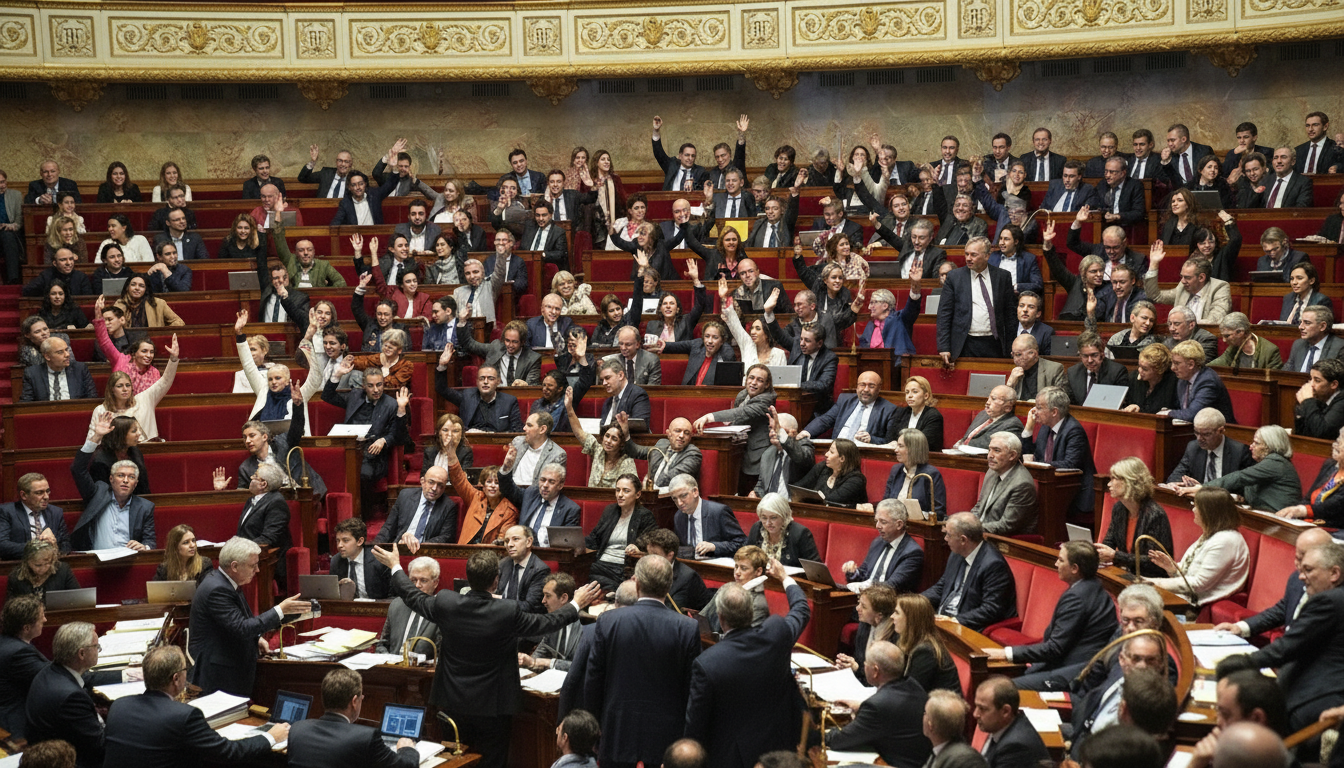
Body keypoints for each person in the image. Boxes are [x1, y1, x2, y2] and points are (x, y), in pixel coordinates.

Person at [373, 544, 599, 768]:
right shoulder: (506, 611)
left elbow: (411, 595)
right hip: (494, 708)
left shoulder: (446, 602)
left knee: (455, 762)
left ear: (468, 578)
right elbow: (547, 623)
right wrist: (576, 603)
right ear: (496, 581)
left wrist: (395, 566)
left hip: (452, 702)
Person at [686, 559, 810, 768]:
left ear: (720, 617)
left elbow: (696, 724)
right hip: (780, 747)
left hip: (732, 755)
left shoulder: (707, 663)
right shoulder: (776, 633)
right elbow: (801, 609)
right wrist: (785, 578)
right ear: (751, 612)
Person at [583, 553, 700, 768]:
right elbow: (690, 688)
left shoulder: (609, 621)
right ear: (669, 584)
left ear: (636, 582)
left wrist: (592, 730)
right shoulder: (687, 627)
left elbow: (593, 681)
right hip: (665, 737)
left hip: (616, 731)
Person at [105, 644, 281, 768]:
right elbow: (228, 752)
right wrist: (270, 737)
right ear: (176, 678)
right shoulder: (185, 716)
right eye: (184, 670)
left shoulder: (119, 706)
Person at [189, 537, 308, 696]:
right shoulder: (218, 589)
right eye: (253, 565)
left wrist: (257, 638)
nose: (257, 570)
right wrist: (280, 610)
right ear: (235, 566)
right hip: (221, 676)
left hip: (227, 668)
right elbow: (242, 628)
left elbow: (235, 622)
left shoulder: (225, 581)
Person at [987, 542, 1117, 686]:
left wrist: (1006, 654)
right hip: (1072, 664)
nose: (1056, 564)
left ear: (1075, 568)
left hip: (1071, 673)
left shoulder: (1077, 598)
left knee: (1003, 689)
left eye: (1061, 560)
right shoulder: (1093, 587)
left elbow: (1054, 649)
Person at [826, 642, 932, 768]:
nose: (864, 666)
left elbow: (838, 741)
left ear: (875, 671)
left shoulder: (878, 705)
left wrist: (818, 730)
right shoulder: (913, 685)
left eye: (865, 664)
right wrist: (861, 707)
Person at [287, 668, 418, 768]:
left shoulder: (297, 729)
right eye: (361, 698)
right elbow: (406, 766)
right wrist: (407, 749)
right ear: (354, 702)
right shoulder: (366, 737)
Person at [1145, 487, 1250, 607]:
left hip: (1196, 610)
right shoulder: (1212, 535)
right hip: (1185, 600)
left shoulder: (1226, 541)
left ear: (1209, 512)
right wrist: (1173, 569)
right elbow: (1192, 575)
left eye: (1196, 506)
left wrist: (1153, 583)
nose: (1193, 510)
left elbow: (1198, 585)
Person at [24, 623, 111, 767]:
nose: (98, 650)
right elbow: (100, 746)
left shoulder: (50, 671)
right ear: (81, 653)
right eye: (96, 646)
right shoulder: (71, 697)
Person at [72, 413, 156, 551]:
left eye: (131, 477)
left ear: (136, 482)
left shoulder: (144, 507)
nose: (125, 481)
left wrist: (145, 548)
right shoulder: (96, 495)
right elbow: (78, 469)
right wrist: (96, 437)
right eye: (121, 475)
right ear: (110, 479)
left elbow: (150, 542)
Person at [922, 513, 1016, 631]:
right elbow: (942, 587)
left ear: (963, 540)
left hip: (967, 626)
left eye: (948, 535)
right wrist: (917, 601)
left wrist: (954, 621)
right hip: (943, 620)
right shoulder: (956, 554)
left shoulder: (993, 565)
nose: (945, 539)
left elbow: (991, 609)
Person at [1175, 424, 1300, 513]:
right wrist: (1205, 487)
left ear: (1270, 446)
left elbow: (1240, 477)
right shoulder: (1266, 464)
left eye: (1256, 443)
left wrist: (1203, 488)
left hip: (1279, 520)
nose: (1251, 447)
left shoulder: (1276, 462)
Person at [693, 364, 776, 486]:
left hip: (757, 456)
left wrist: (710, 417)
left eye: (760, 380)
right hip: (739, 449)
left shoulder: (766, 400)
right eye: (751, 378)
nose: (753, 383)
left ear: (767, 384)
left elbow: (742, 412)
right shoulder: (743, 394)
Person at [937, 236, 1015, 362]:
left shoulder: (1003, 276)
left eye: (973, 255)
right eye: (966, 254)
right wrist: (944, 347)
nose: (968, 258)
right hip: (965, 343)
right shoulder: (954, 277)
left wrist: (1012, 345)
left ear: (987, 255)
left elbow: (1010, 315)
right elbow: (944, 314)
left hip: (995, 343)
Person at [585, 474, 656, 592]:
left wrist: (637, 547)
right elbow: (594, 538)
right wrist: (577, 542)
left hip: (624, 568)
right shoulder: (610, 511)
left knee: (607, 588)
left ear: (638, 494)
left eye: (626, 491)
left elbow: (650, 542)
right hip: (601, 565)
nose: (620, 495)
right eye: (617, 490)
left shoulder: (645, 515)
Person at [499, 452, 580, 548]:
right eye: (542, 480)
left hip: (548, 555)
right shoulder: (531, 494)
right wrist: (506, 467)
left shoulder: (570, 509)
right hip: (522, 551)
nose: (545, 485)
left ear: (560, 485)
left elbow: (567, 545)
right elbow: (507, 489)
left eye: (551, 482)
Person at [842, 500, 924, 594]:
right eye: (877, 521)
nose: (877, 526)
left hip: (887, 603)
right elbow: (863, 576)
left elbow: (892, 586)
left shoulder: (912, 553)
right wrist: (852, 572)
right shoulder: (877, 542)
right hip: (865, 598)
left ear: (899, 525)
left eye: (883, 522)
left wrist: (860, 588)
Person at [971, 676, 1050, 768]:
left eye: (982, 709)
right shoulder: (1004, 726)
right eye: (976, 706)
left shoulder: (1015, 747)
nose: (975, 714)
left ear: (1005, 711)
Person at [447, 444, 517, 545]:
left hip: (489, 555)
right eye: (489, 482)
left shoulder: (509, 511)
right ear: (482, 485)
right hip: (464, 551)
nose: (493, 486)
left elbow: (502, 540)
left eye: (497, 483)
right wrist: (451, 453)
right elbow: (459, 479)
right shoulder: (476, 497)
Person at [0, 596, 49, 740]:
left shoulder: (8, 642)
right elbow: (54, 676)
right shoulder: (18, 653)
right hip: (15, 730)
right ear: (26, 628)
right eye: (41, 617)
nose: (45, 620)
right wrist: (118, 676)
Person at [802, 371, 898, 444]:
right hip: (836, 449)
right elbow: (826, 420)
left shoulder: (889, 409)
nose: (866, 389)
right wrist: (807, 432)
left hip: (860, 453)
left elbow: (892, 442)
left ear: (879, 388)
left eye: (871, 386)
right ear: (857, 386)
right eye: (862, 385)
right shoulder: (845, 400)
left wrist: (872, 439)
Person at [969, 433, 1037, 535]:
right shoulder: (992, 471)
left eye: (996, 450)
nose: (990, 456)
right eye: (989, 449)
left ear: (1012, 455)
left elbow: (1006, 525)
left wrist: (970, 530)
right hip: (981, 532)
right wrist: (966, 523)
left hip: (1001, 540)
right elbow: (979, 506)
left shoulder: (1022, 484)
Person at [435, 354, 523, 433]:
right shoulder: (467, 396)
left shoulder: (509, 401)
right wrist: (442, 365)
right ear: (477, 381)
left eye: (490, 378)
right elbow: (442, 389)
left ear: (498, 381)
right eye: (482, 378)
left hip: (497, 444)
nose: (485, 382)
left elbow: (516, 431)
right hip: (471, 443)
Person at [375, 556, 441, 660]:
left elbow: (441, 656)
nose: (417, 585)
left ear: (435, 583)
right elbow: (381, 645)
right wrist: (388, 659)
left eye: (423, 581)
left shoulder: (440, 610)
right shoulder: (396, 605)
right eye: (413, 580)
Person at [1143, 247, 1231, 325]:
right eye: (1182, 276)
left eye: (1187, 277)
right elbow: (1155, 296)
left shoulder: (1219, 287)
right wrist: (1153, 264)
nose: (1182, 281)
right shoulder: (1182, 287)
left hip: (1203, 338)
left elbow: (1215, 320)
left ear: (1201, 277)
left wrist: (1185, 326)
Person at [893, 594, 960, 693]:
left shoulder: (926, 651)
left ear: (911, 619)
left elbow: (911, 693)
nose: (892, 616)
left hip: (940, 707)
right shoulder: (913, 642)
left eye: (897, 613)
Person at [669, 474, 746, 559]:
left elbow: (742, 542)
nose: (679, 503)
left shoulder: (718, 512)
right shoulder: (679, 516)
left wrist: (714, 546)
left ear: (695, 492)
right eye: (675, 499)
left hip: (715, 563)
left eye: (683, 496)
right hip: (690, 566)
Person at [697, 545, 771, 633]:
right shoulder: (726, 589)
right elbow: (702, 618)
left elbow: (745, 638)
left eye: (743, 568)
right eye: (736, 567)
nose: (737, 572)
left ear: (758, 571)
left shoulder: (758, 601)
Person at [1164, 340, 1237, 423]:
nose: (1172, 368)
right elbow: (1181, 409)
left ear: (1191, 364)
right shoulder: (1183, 379)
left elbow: (1192, 414)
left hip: (1220, 431)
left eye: (1177, 363)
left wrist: (1168, 413)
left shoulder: (1208, 381)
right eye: (1172, 363)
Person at [1279, 435, 1344, 526]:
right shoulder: (1330, 465)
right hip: (1311, 520)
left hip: (1334, 525)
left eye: (1340, 443)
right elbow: (1308, 498)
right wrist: (1297, 513)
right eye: (1336, 441)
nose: (1334, 445)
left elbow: (1336, 505)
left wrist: (1304, 511)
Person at [0, 473, 69, 559]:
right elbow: (2, 545)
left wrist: (54, 543)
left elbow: (66, 544)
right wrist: (38, 547)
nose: (46, 497)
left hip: (51, 565)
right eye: (39, 493)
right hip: (20, 565)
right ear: (23, 495)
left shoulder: (55, 512)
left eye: (47, 491)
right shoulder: (7, 512)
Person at [881, 429, 947, 519]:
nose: (896, 450)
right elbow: (886, 502)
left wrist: (916, 516)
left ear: (913, 449)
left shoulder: (931, 474)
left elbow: (938, 512)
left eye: (900, 446)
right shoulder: (896, 470)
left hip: (919, 528)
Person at [623, 414, 702, 489]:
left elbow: (671, 479)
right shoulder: (662, 444)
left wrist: (648, 485)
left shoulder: (693, 453)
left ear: (690, 437)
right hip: (652, 496)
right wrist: (625, 433)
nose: (681, 436)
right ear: (668, 433)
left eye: (686, 433)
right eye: (678, 431)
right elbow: (636, 452)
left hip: (675, 499)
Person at [836, 585, 896, 681]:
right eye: (859, 603)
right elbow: (859, 660)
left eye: (863, 606)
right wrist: (849, 664)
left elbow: (879, 679)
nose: (857, 608)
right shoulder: (865, 624)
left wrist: (856, 668)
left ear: (878, 616)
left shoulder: (893, 638)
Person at [744, 492, 821, 565]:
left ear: (784, 516)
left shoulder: (800, 534)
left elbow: (815, 572)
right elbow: (746, 558)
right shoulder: (757, 528)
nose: (768, 523)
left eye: (773, 518)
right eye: (764, 518)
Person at [921, 690, 988, 768]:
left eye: (925, 713)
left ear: (930, 725)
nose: (922, 716)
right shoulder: (939, 751)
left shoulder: (966, 760)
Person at [795, 439, 869, 509]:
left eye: (831, 452)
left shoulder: (856, 480)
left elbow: (831, 501)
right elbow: (798, 487)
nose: (826, 454)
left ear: (842, 459)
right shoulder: (822, 467)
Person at [19, 336, 95, 402]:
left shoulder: (79, 369)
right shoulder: (33, 373)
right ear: (47, 357)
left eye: (66, 350)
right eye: (60, 352)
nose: (67, 355)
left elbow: (92, 398)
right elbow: (26, 403)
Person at [1069, 331, 1130, 406]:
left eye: (1094, 355)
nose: (1090, 360)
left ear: (1102, 353)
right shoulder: (1072, 373)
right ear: (1080, 355)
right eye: (1085, 356)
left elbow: (1121, 404)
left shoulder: (1117, 372)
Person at [6, 539, 78, 600]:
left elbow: (77, 598)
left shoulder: (63, 570)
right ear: (27, 562)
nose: (43, 568)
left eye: (48, 563)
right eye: (38, 565)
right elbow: (11, 609)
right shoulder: (16, 577)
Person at [1007, 333, 1067, 403]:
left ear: (1033, 353)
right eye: (1013, 355)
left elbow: (1060, 400)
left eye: (1018, 354)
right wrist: (1010, 384)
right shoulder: (1016, 372)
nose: (1015, 359)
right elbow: (1005, 400)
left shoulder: (1054, 369)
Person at [1210, 313, 1283, 369]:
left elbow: (1273, 380)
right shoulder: (1233, 348)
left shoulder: (1270, 351)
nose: (1224, 340)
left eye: (1227, 336)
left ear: (1240, 332)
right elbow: (1217, 364)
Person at [1295, 358, 1344, 440]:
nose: (1311, 385)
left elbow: (1322, 433)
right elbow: (1301, 433)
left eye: (1317, 381)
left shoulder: (1342, 401)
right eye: (1311, 379)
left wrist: (1308, 401)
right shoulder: (1318, 398)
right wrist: (1302, 406)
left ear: (1334, 384)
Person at [1125, 343, 1180, 414]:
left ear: (1159, 370)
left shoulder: (1174, 382)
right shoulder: (1133, 377)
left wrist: (1140, 409)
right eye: (1139, 366)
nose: (1139, 370)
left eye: (1145, 369)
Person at [1286, 305, 1344, 372]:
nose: (1300, 327)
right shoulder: (1298, 344)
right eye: (1300, 322)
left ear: (1322, 326)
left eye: (1307, 323)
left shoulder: (1340, 348)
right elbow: (1285, 374)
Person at [114, 274, 184, 327]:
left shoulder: (158, 304)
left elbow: (179, 322)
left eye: (141, 286)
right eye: (133, 285)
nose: (137, 288)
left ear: (146, 289)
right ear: (127, 287)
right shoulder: (120, 304)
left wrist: (163, 333)